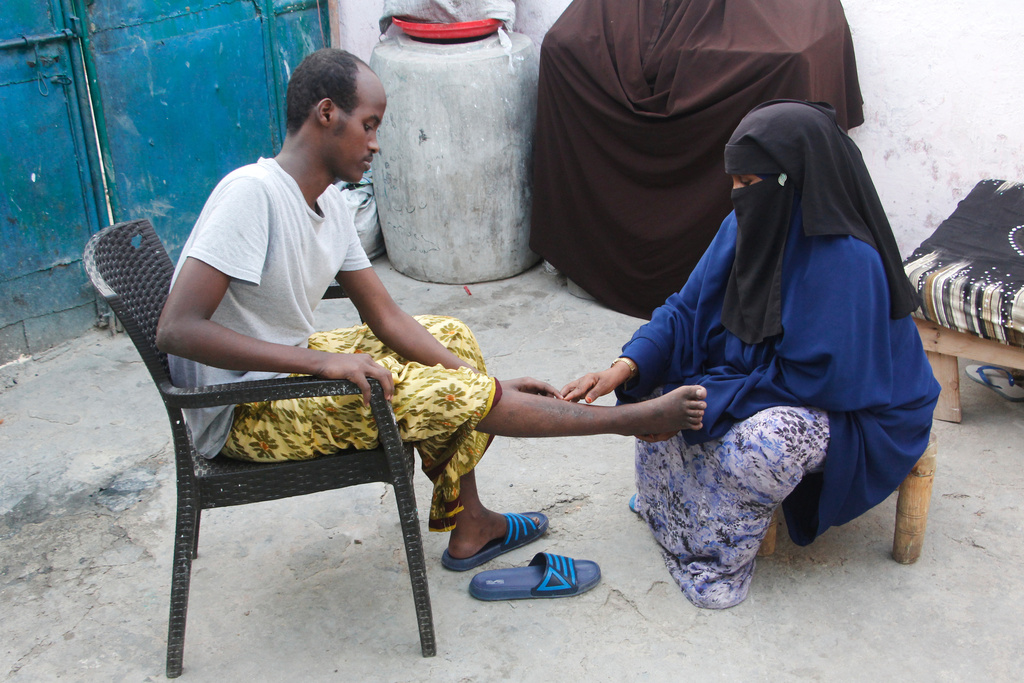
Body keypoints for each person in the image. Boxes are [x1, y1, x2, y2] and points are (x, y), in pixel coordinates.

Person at [155, 48, 708, 571]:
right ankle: (626, 422)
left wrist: (489, 383)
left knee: (451, 337)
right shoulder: (252, 194)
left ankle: (471, 527)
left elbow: (388, 319)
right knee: (443, 392)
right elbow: (177, 330)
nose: (376, 144)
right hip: (240, 410)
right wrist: (324, 364)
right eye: (369, 125)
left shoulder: (328, 203)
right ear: (327, 114)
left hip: (283, 371)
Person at [562, 100, 940, 608]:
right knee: (656, 381)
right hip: (768, 377)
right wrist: (622, 367)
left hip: (858, 410)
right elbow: (683, 309)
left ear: (794, 181)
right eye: (733, 183)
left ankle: (717, 566)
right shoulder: (742, 228)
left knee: (764, 440)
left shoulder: (847, 261)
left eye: (749, 184)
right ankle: (670, 511)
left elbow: (822, 382)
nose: (736, 197)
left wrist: (700, 400)